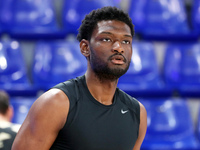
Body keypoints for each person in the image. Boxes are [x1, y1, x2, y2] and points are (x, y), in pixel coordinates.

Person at [12, 6, 147, 150]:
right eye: (107, 39)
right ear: (85, 48)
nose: (119, 48)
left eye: (126, 41)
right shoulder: (56, 103)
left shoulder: (137, 113)